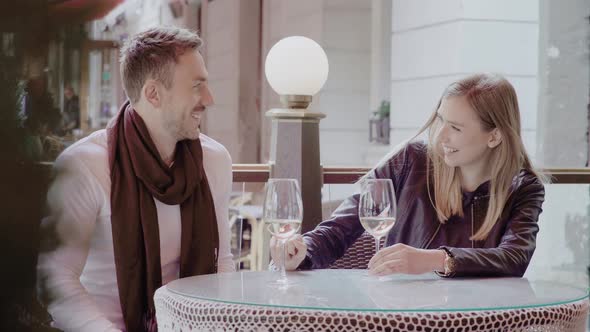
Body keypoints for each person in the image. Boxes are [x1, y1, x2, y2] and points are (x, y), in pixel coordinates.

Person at [38, 26, 234, 331]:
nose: (208, 98)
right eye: (197, 86)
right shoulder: (85, 165)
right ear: (153, 93)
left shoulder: (215, 160)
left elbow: (221, 262)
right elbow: (54, 278)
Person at [273, 73, 545, 278]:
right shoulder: (411, 159)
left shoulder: (523, 187)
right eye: (440, 120)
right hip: (401, 316)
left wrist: (436, 260)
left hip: (475, 321)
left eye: (456, 128)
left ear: (495, 136)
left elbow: (514, 257)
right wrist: (303, 250)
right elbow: (341, 228)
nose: (441, 136)